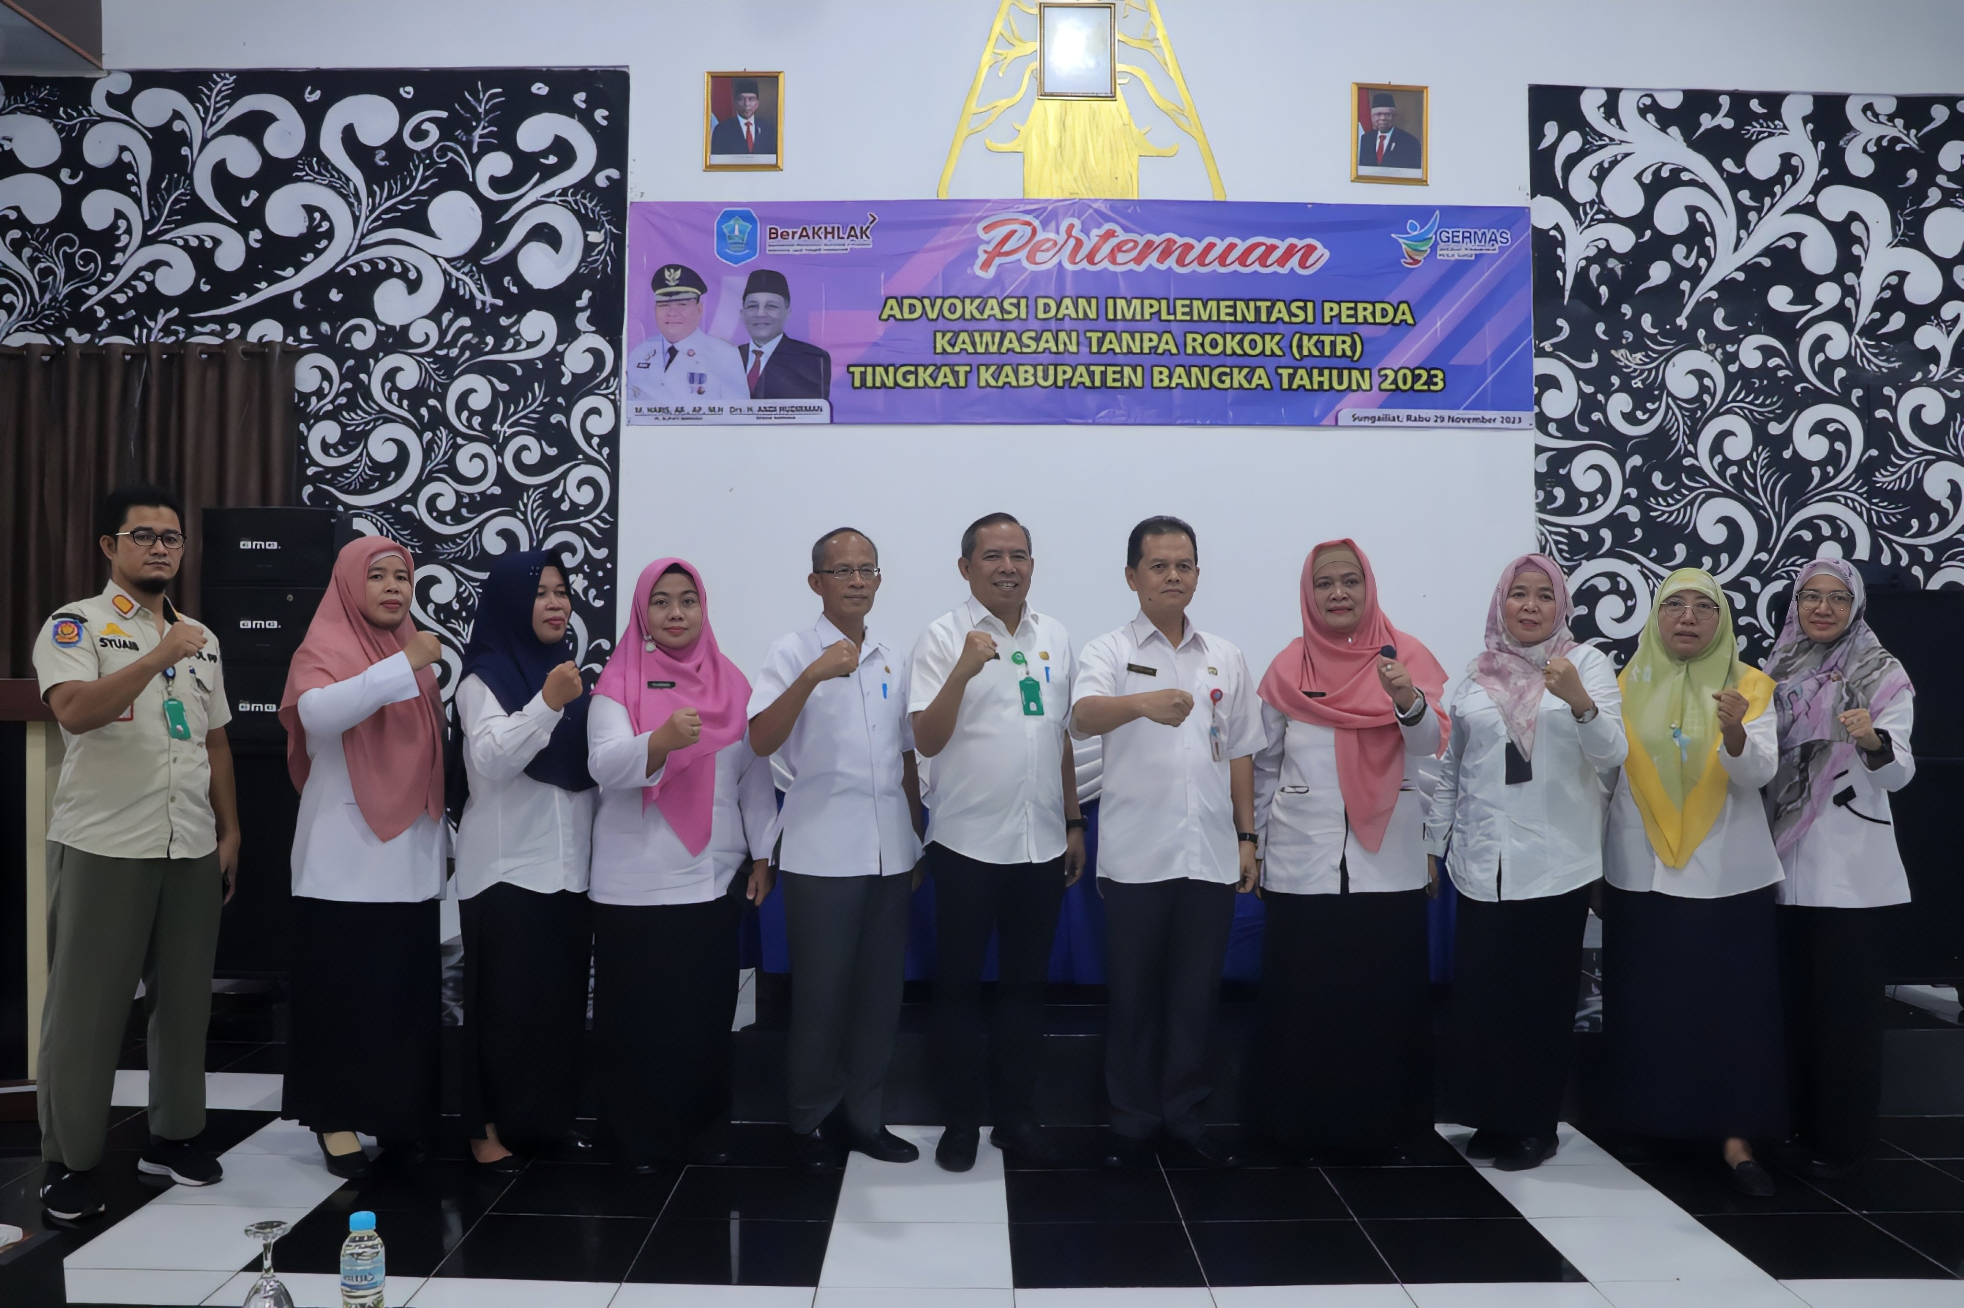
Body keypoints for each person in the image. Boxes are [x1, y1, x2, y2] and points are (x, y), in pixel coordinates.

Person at [32, 485, 239, 1220]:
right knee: (88, 1008)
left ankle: (174, 1137)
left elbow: (215, 740)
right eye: (143, 535)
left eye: (171, 537)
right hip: (104, 841)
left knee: (183, 1001)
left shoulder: (202, 636)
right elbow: (74, 712)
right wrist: (155, 656)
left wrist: (230, 831)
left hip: (190, 842)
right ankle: (69, 1160)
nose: (160, 547)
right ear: (109, 547)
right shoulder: (75, 624)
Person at [1071, 516, 1263, 1170]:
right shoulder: (1107, 649)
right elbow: (1082, 716)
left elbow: (1240, 750)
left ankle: (1185, 1116)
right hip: (1136, 856)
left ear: (1197, 576)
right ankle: (1130, 1122)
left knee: (1195, 997)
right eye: (1159, 566)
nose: (1173, 576)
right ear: (1132, 577)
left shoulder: (1225, 655)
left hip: (1209, 853)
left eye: (1184, 565)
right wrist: (1141, 703)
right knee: (1133, 998)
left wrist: (1246, 836)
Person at [1426, 554, 1626, 1170]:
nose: (1531, 606)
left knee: (1541, 998)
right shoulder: (1475, 676)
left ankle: (1535, 1125)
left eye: (1544, 595)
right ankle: (1491, 1116)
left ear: (1561, 605)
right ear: (1501, 604)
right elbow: (1452, 769)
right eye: (1519, 594)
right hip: (1482, 861)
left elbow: (1613, 755)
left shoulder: (1586, 664)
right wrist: (1434, 844)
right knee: (1484, 997)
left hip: (1556, 860)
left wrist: (1581, 703)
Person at [1250, 540, 1448, 1161]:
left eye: (1350, 581)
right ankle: (1297, 1129)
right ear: (1308, 595)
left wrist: (1406, 699)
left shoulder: (1405, 656)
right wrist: (1254, 844)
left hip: (1387, 859)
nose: (1338, 593)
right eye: (1324, 583)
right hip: (1301, 859)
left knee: (1382, 1002)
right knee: (1305, 1004)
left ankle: (1386, 1130)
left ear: (1369, 588)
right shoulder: (1289, 666)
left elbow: (1431, 747)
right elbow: (1263, 767)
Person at [1600, 568, 1784, 1196]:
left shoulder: (1750, 685)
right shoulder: (1624, 685)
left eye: (1702, 607)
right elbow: (1603, 779)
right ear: (1655, 617)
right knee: (1651, 1006)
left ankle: (1736, 1141)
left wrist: (1734, 731)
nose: (1686, 617)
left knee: (1732, 1012)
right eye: (1673, 605)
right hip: (1641, 870)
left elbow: (1758, 773)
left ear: (1721, 620)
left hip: (1727, 876)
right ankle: (1653, 1123)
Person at [910, 513, 1084, 1172]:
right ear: (966, 567)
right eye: (992, 556)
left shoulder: (1055, 636)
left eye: (1019, 555)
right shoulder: (941, 636)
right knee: (957, 987)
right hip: (966, 844)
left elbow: (1058, 735)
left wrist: (1073, 822)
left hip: (1041, 844)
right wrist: (962, 670)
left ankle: (1016, 1116)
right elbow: (925, 739)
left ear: (1032, 565)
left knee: (1025, 988)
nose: (1007, 567)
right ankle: (959, 1119)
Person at [588, 558, 776, 1168]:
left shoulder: (733, 684)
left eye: (687, 600)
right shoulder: (618, 682)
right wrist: (660, 741)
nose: (676, 613)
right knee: (637, 1022)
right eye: (662, 601)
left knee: (703, 1018)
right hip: (635, 884)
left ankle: (703, 1133)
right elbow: (604, 764)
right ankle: (635, 1140)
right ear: (643, 611)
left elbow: (753, 779)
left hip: (711, 880)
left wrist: (763, 852)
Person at [748, 528, 925, 1172]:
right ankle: (809, 1121)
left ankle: (864, 1118)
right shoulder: (791, 651)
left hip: (890, 852)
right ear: (815, 582)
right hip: (821, 852)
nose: (856, 581)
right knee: (821, 998)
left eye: (866, 570)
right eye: (842, 570)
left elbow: (906, 755)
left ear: (878, 580)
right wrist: (811, 675)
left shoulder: (893, 655)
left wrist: (914, 837)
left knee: (879, 997)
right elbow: (761, 739)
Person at [280, 536, 447, 1181]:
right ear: (350, 584)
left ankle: (397, 1115)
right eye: (377, 575)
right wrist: (402, 665)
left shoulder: (413, 655)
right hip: (341, 862)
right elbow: (319, 716)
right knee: (340, 996)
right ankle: (335, 1118)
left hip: (409, 858)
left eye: (402, 576)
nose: (392, 587)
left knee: (401, 998)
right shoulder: (324, 647)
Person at [1763, 556, 1916, 1178]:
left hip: (1852, 875)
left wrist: (1873, 740)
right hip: (1780, 867)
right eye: (1811, 597)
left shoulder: (1882, 673)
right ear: (1795, 605)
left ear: (1855, 606)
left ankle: (1843, 1142)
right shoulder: (1774, 671)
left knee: (1845, 1017)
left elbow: (1900, 773)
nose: (1822, 608)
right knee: (1791, 1009)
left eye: (1836, 598)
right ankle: (1793, 1128)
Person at [451, 551, 597, 1173]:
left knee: (556, 1011)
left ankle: (545, 1122)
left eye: (562, 591)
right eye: (540, 592)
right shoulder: (482, 678)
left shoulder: (568, 674)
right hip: (506, 871)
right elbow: (490, 758)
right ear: (512, 602)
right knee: (502, 1013)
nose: (556, 603)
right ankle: (485, 1131)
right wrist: (546, 704)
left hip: (570, 871)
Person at [625, 263, 749, 406]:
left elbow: (738, 413)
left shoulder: (725, 355)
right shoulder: (641, 352)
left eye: (682, 304)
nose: (672, 312)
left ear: (699, 309)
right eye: (664, 305)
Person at [737, 269, 832, 400]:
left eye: (771, 306)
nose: (760, 314)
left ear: (787, 314)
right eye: (752, 306)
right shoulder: (728, 357)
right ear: (742, 314)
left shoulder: (811, 358)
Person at [710, 77, 777, 157]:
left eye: (751, 99)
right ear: (735, 102)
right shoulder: (722, 130)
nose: (746, 104)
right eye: (741, 99)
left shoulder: (769, 129)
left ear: (757, 103)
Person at [1359, 91, 1422, 170]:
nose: (1383, 118)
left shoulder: (1409, 142)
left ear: (1394, 117)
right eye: (1378, 114)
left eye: (1387, 114)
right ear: (1372, 117)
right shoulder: (1365, 139)